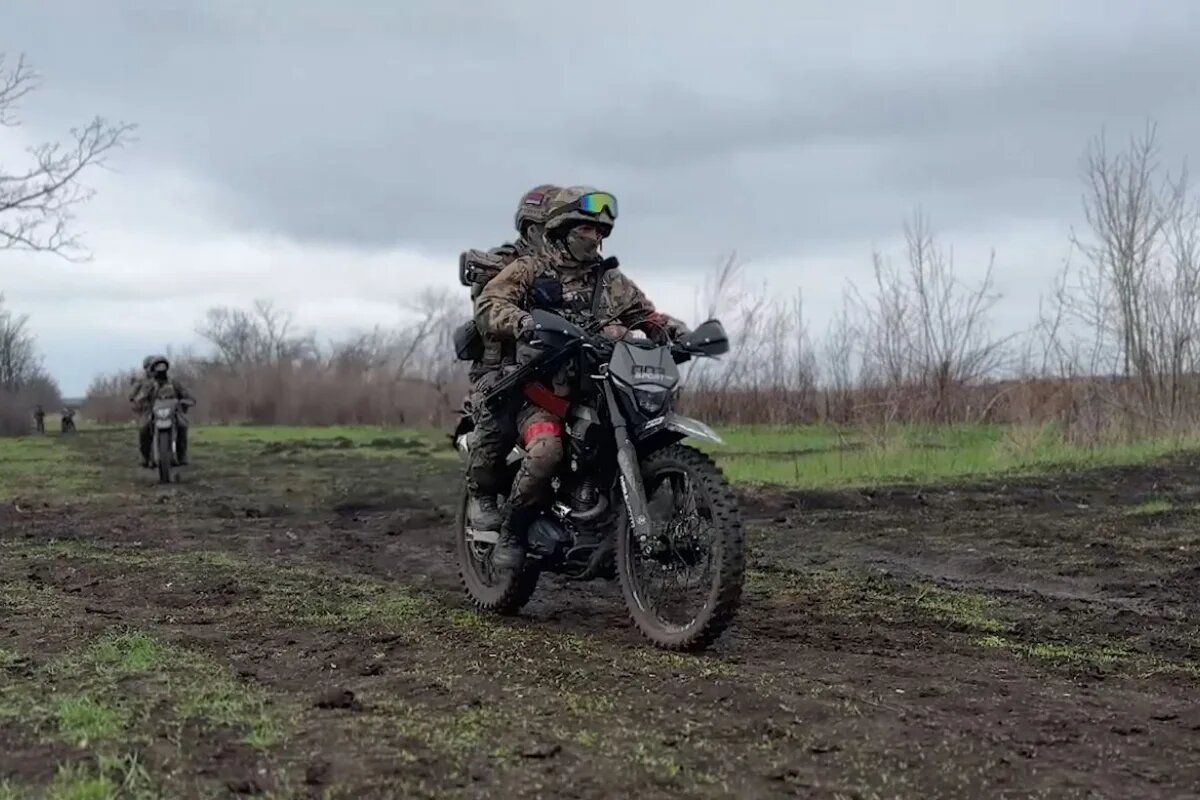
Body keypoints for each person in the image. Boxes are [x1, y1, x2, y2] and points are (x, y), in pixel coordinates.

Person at [474, 185, 691, 572]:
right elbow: (491, 303)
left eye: (599, 232)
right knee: (546, 452)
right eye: (586, 230)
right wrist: (522, 322)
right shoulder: (530, 269)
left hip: (597, 384)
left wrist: (677, 333)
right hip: (541, 390)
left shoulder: (609, 280)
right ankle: (512, 531)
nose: (594, 238)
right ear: (562, 230)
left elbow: (646, 316)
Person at [463, 184, 560, 536]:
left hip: (559, 367)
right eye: (553, 228)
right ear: (534, 228)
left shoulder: (580, 270)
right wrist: (523, 321)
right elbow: (488, 305)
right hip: (506, 368)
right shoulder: (509, 264)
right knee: (500, 409)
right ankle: (484, 494)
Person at [131, 356, 195, 467]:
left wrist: (186, 401)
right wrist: (139, 403)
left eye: (163, 366)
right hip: (153, 411)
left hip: (173, 412)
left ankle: (182, 455)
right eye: (158, 367)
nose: (161, 369)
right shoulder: (148, 384)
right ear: (153, 369)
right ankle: (144, 456)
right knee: (144, 428)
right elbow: (139, 398)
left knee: (182, 425)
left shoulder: (174, 382)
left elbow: (187, 395)